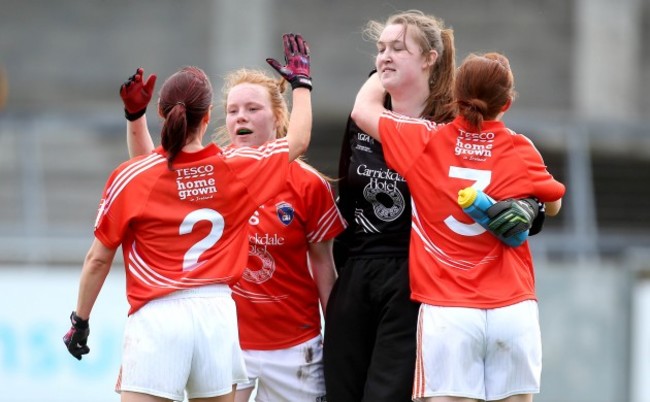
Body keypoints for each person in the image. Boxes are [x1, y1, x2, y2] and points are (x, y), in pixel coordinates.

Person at [62, 33, 314, 402]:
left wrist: (79, 322)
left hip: (158, 318)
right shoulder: (237, 168)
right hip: (217, 316)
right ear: (209, 116)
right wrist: (302, 85)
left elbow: (99, 258)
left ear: (163, 114)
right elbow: (299, 140)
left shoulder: (133, 177)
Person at [350, 51, 565, 402]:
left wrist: (385, 63)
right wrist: (530, 206)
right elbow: (553, 203)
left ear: (455, 96)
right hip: (512, 309)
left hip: (448, 310)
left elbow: (363, 109)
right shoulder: (520, 147)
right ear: (507, 103)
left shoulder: (424, 140)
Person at [122, 64, 345, 401]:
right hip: (228, 341)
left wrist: (339, 336)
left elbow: (324, 267)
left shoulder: (308, 184)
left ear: (277, 117)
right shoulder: (213, 173)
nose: (242, 117)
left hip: (295, 345)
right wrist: (136, 116)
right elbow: (151, 174)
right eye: (233, 111)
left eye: (253, 109)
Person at [323, 10, 455, 402]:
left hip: (411, 277)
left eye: (398, 48)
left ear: (430, 59)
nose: (384, 57)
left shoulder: (446, 126)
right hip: (356, 272)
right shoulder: (360, 121)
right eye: (380, 49)